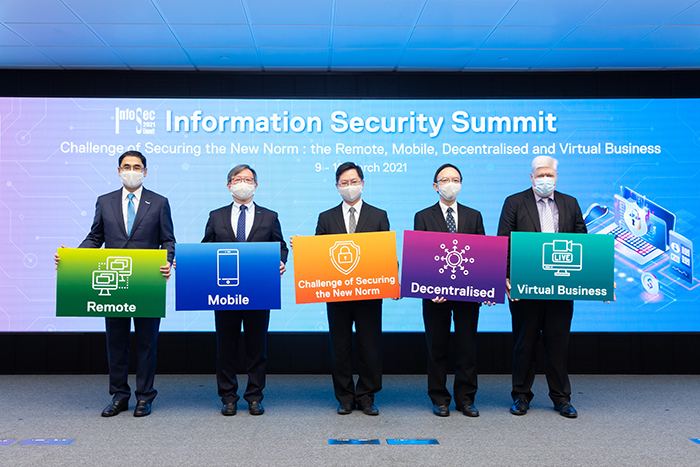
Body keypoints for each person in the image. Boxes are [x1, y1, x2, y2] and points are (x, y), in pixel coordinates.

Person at [54, 150, 175, 417]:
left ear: (145, 171)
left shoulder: (159, 202)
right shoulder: (105, 201)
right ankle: (119, 396)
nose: (131, 170)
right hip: (114, 282)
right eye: (126, 166)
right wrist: (73, 257)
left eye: (137, 166)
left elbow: (168, 240)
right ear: (118, 170)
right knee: (116, 343)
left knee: (146, 343)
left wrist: (168, 259)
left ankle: (144, 397)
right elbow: (95, 237)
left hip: (147, 282)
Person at [497, 155, 586, 419]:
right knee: (524, 343)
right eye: (541, 175)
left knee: (558, 344)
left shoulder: (570, 203)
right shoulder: (514, 202)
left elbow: (583, 242)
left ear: (556, 177)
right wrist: (506, 277)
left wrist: (596, 277)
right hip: (525, 288)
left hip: (561, 287)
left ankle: (561, 398)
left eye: (550, 175)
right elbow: (504, 242)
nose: (546, 179)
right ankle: (521, 397)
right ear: (532, 177)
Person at [202, 164, 288, 417]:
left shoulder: (269, 216)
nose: (243, 183)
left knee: (256, 347)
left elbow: (280, 246)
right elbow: (206, 247)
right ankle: (228, 397)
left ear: (256, 185)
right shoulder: (216, 215)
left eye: (248, 179)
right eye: (237, 179)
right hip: (224, 292)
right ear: (229, 185)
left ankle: (254, 396)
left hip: (259, 291)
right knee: (226, 346)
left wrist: (281, 260)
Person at [315, 162, 389, 416]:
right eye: (344, 183)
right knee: (341, 346)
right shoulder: (326, 217)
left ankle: (367, 396)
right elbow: (319, 258)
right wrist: (304, 251)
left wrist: (393, 279)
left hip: (370, 295)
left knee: (370, 346)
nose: (350, 187)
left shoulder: (379, 215)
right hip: (337, 295)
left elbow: (385, 254)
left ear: (363, 183)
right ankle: (345, 397)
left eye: (354, 182)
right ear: (337, 187)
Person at [414, 163, 487, 418]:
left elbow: (482, 257)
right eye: (444, 180)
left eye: (455, 179)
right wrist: (429, 288)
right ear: (435, 186)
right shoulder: (423, 216)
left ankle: (466, 399)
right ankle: (439, 398)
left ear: (461, 184)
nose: (450, 184)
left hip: (468, 297)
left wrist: (486, 287)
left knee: (467, 347)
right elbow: (420, 257)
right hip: (435, 297)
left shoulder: (474, 216)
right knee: (437, 348)